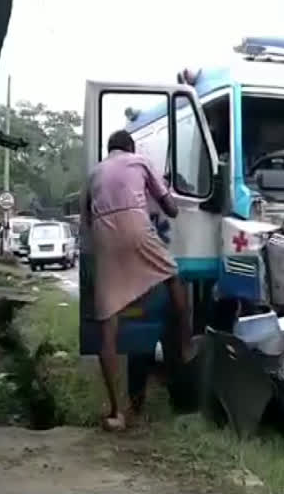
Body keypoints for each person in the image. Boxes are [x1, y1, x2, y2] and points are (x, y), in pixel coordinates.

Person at [83, 129, 196, 430]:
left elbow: (85, 219)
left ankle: (116, 412)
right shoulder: (140, 161)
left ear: (109, 150)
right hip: (135, 225)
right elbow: (170, 208)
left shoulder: (94, 173)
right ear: (130, 148)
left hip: (103, 235)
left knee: (108, 321)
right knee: (173, 277)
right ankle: (185, 343)